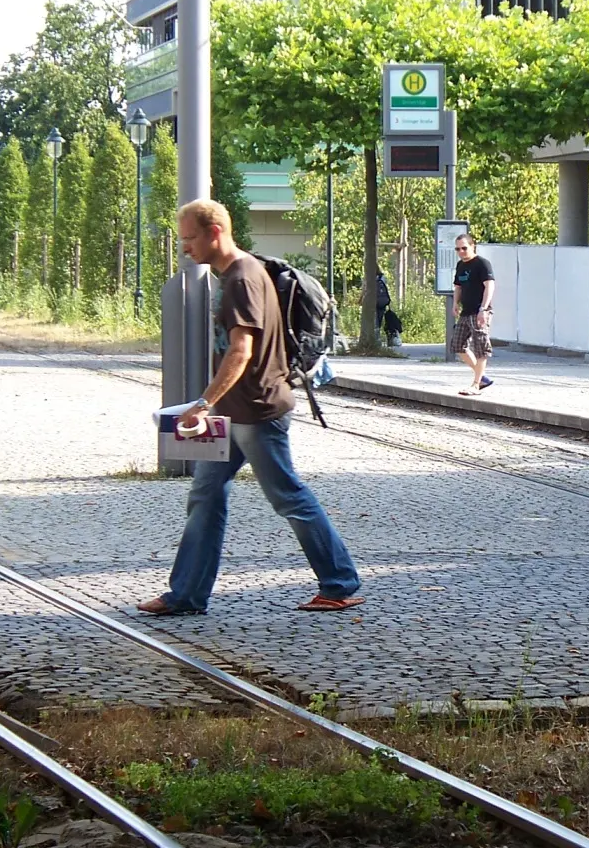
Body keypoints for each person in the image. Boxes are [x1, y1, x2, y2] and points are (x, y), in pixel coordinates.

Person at [138, 200, 363, 616]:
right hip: (235, 412)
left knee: (288, 496)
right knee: (205, 496)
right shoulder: (237, 273)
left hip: (259, 411)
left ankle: (340, 582)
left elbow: (241, 351)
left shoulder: (242, 278)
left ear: (214, 233)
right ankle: (186, 594)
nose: (185, 247)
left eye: (189, 238)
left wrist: (204, 402)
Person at [450, 234, 495, 395]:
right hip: (465, 311)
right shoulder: (460, 265)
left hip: (480, 311)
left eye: (464, 248)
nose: (461, 251)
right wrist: (455, 303)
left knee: (481, 347)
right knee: (457, 344)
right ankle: (481, 376)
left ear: (472, 246)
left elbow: (489, 286)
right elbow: (458, 287)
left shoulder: (482, 264)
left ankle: (476, 384)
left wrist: (483, 309)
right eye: (458, 249)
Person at [373, 270, 403, 349]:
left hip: (374, 303)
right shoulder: (382, 278)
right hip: (383, 303)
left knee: (375, 322)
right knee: (379, 320)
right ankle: (379, 338)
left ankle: (375, 339)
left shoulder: (370, 278)